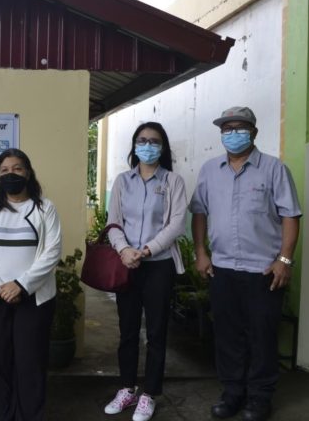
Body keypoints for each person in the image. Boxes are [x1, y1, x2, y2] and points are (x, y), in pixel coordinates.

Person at [189, 107, 301, 421]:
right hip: (223, 269)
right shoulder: (210, 170)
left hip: (263, 271)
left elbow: (290, 215)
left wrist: (284, 260)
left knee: (262, 336)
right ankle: (232, 394)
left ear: (253, 132)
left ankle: (260, 398)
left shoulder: (274, 169)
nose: (232, 133)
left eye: (239, 128)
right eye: (227, 128)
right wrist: (200, 252)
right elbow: (199, 213)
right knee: (227, 336)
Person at [102, 122, 188, 421]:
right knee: (127, 332)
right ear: (134, 145)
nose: (147, 145)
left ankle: (149, 394)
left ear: (162, 147)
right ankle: (127, 388)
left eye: (153, 141)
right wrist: (125, 250)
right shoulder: (123, 181)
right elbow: (112, 221)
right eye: (142, 140)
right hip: (127, 265)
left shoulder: (173, 182)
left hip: (158, 266)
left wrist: (147, 249)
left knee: (156, 332)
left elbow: (177, 224)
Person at [0, 148, 61, 421]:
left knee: (30, 363)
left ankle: (30, 415)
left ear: (28, 172)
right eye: (4, 170)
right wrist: (2, 287)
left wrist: (20, 285)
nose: (11, 174)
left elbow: (52, 251)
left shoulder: (45, 208)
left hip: (34, 300)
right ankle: (4, 414)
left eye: (17, 168)